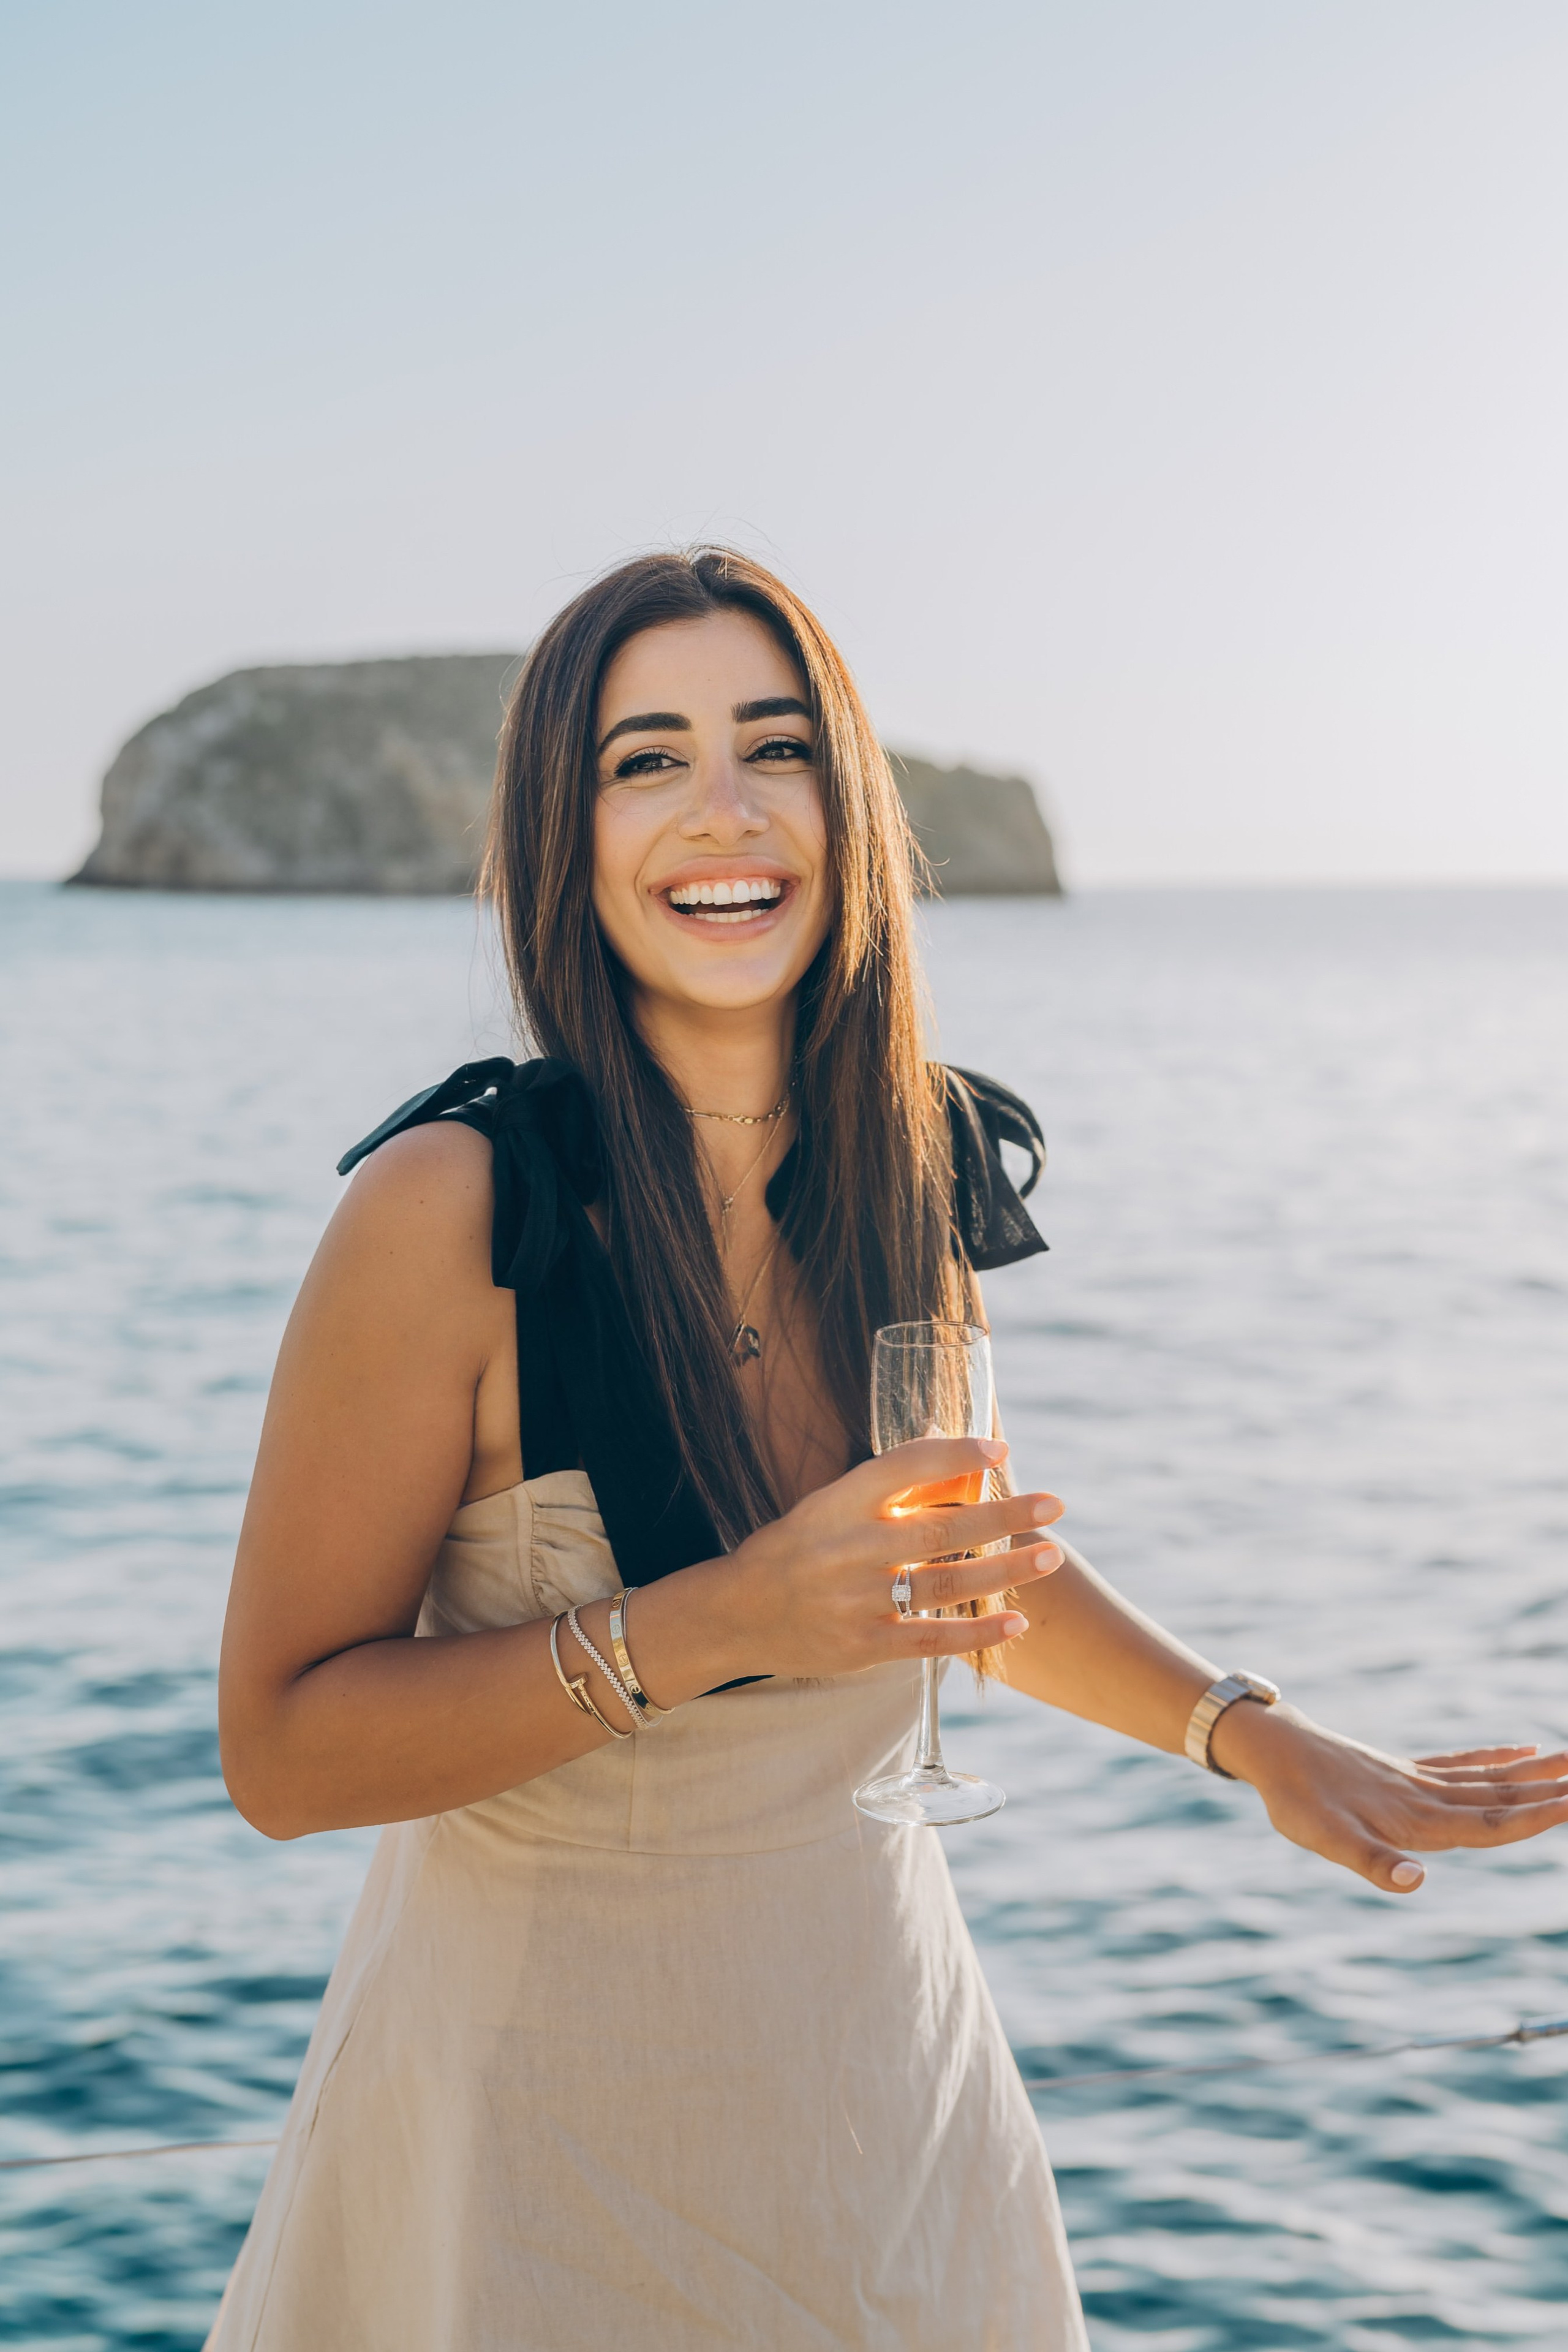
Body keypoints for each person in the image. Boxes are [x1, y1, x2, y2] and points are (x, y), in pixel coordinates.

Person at [209, 549, 1568, 2352]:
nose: (724, 808)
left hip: (889, 2099)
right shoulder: (450, 1212)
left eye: (776, 748)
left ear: (847, 810)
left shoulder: (909, 1174)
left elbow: (958, 1559)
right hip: (529, 2146)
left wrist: (1243, 1731)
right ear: (565, 836)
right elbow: (285, 1753)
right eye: (646, 760)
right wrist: (727, 1617)